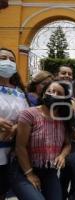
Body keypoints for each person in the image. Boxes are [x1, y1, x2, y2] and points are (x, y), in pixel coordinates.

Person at [11, 80, 75, 200]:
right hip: (23, 170)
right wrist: (29, 174)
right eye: (50, 91)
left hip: (49, 172)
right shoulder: (29, 114)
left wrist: (62, 155)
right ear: (43, 94)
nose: (52, 94)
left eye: (58, 93)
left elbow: (68, 144)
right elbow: (20, 147)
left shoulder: (63, 119)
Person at [0, 47, 29, 200]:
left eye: (12, 60)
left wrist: (18, 127)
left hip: (10, 153)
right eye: (3, 58)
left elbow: (26, 117)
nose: (8, 62)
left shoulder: (19, 92)